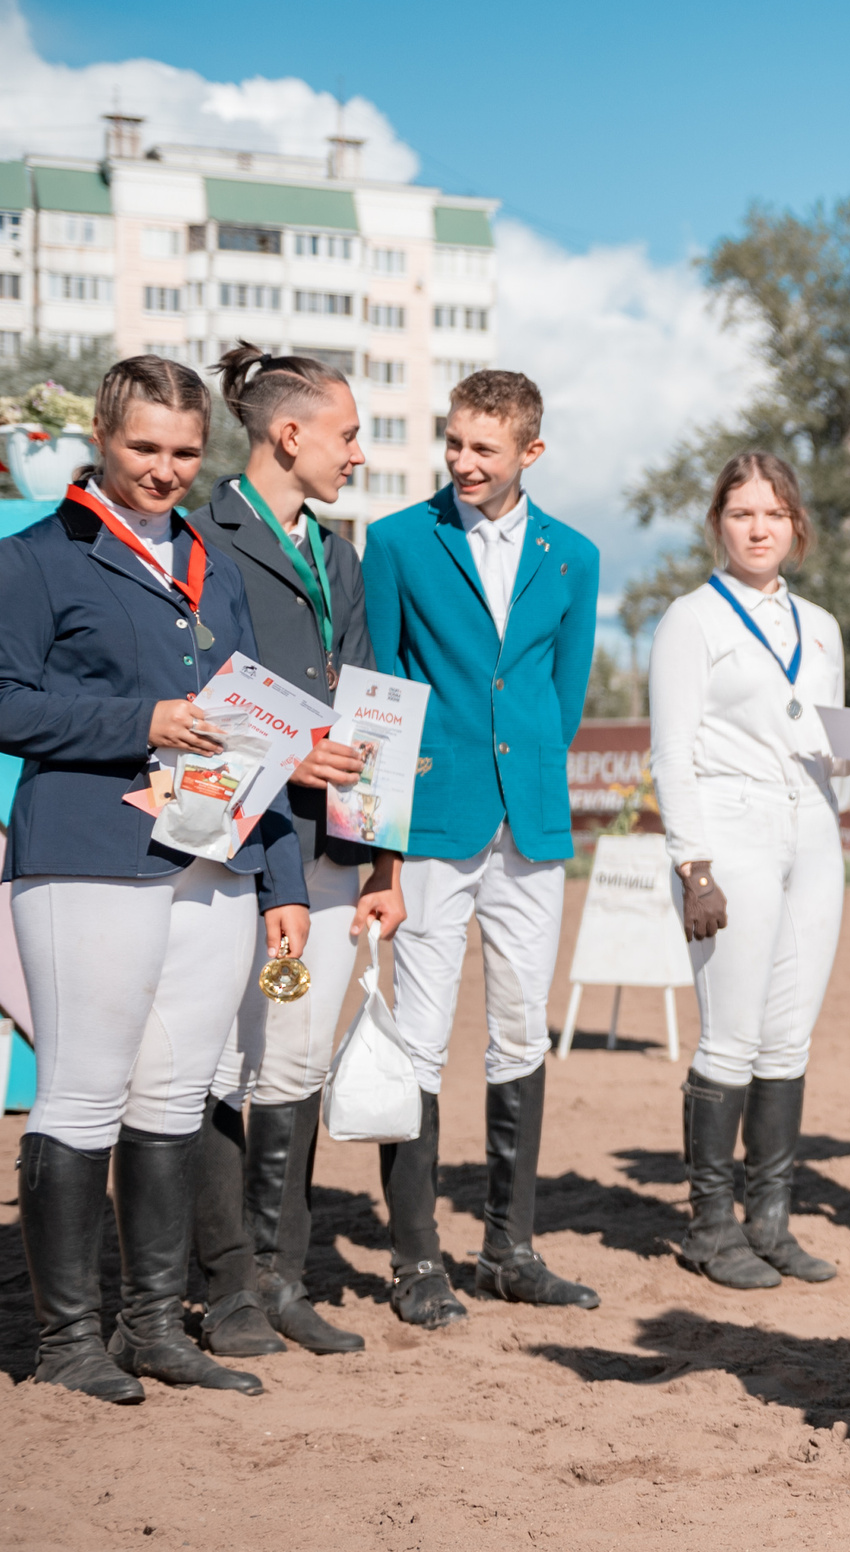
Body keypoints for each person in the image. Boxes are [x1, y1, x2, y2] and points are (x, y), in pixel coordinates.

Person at [0, 354, 311, 1402]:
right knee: (84, 1088)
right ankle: (66, 1339)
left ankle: (152, 1325)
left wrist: (282, 878)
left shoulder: (212, 562)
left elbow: (247, 718)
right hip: (88, 850)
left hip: (213, 856)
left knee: (178, 1091)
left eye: (185, 452)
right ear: (100, 434)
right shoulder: (38, 557)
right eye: (144, 447)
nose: (165, 470)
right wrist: (137, 722)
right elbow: (4, 701)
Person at [363, 370, 600, 1324]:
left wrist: (528, 777)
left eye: (484, 449)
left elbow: (563, 693)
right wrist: (384, 837)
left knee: (518, 1030)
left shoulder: (574, 555)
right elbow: (378, 687)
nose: (463, 462)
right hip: (432, 819)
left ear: (529, 454)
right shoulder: (395, 542)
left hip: (530, 823)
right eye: (453, 443)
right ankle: (416, 1262)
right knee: (419, 1036)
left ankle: (511, 1249)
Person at [193, 346, 407, 1358]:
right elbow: (203, 703)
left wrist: (382, 861)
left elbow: (368, 709)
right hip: (234, 848)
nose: (357, 453)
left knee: (297, 1059)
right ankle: (224, 1285)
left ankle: (280, 1277)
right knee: (223, 1063)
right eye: (350, 433)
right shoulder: (205, 537)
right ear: (292, 434)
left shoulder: (339, 551)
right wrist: (289, 752)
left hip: (326, 848)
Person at [648, 451, 848, 1290]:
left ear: (796, 526)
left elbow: (831, 739)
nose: (758, 528)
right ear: (718, 526)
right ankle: (709, 1224)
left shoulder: (824, 626)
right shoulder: (691, 619)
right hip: (731, 831)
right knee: (731, 1034)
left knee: (790, 1035)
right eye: (741, 514)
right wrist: (693, 864)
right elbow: (672, 751)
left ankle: (771, 1219)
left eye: (773, 513)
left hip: (816, 830)